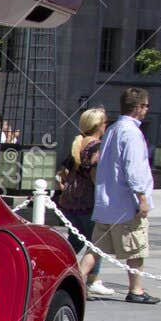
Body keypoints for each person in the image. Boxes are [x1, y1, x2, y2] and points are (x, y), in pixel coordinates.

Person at [89, 86, 160, 304]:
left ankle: (81, 279)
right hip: (125, 204)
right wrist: (142, 198)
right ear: (138, 107)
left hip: (107, 202)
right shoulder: (131, 133)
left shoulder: (112, 130)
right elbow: (134, 168)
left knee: (95, 248)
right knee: (136, 248)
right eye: (146, 106)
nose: (147, 110)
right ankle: (136, 290)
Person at [54, 107, 116, 299]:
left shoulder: (79, 143)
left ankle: (60, 273)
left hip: (70, 201)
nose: (106, 125)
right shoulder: (96, 146)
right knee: (96, 243)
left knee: (75, 241)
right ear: (98, 125)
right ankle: (91, 280)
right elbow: (96, 175)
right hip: (87, 201)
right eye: (105, 122)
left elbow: (62, 172)